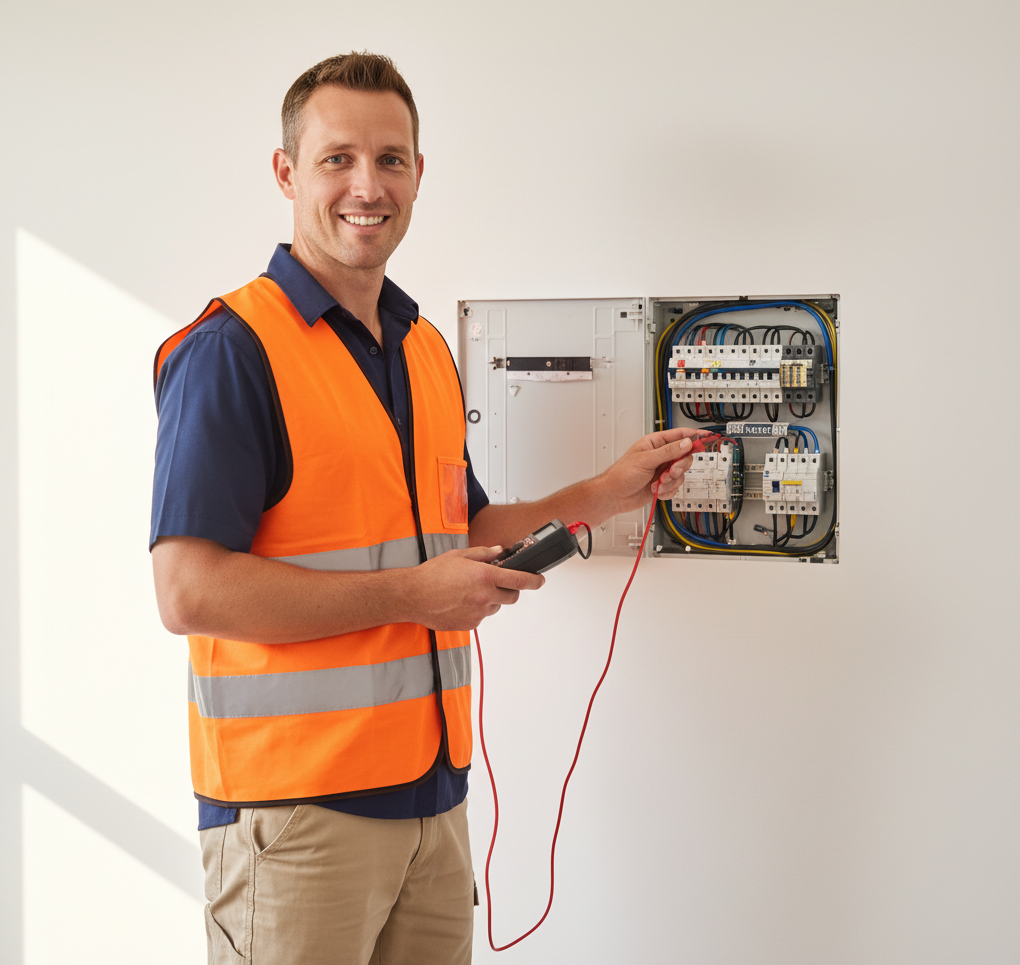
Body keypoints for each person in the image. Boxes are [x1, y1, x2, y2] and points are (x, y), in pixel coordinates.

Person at [150, 52, 705, 965]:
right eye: (337, 159)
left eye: (391, 159)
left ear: (418, 173)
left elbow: (464, 529)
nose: (367, 186)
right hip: (296, 820)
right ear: (287, 173)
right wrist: (413, 596)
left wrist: (608, 492)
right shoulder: (231, 352)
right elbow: (188, 594)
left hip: (432, 808)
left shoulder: (423, 348)